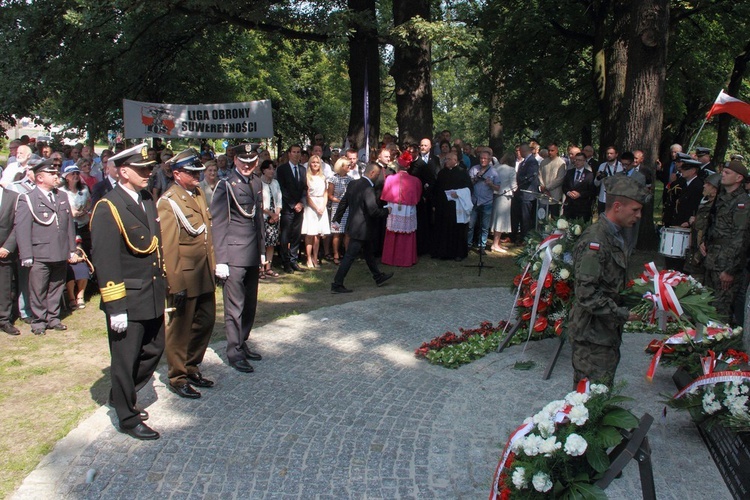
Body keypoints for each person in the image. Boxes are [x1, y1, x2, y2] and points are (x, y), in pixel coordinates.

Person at [89, 143, 165, 440]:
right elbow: (106, 259)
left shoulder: (145, 198)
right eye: (142, 169)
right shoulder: (108, 206)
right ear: (123, 172)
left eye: (149, 168)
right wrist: (115, 305)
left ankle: (121, 393)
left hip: (152, 290)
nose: (148, 173)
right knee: (125, 357)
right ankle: (127, 416)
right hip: (128, 296)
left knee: (154, 349)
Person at [567, 176, 648, 386]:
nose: (639, 216)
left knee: (601, 392)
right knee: (589, 398)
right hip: (591, 335)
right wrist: (623, 314)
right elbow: (586, 294)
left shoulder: (615, 235)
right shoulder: (595, 241)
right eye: (635, 210)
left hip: (604, 332)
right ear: (618, 206)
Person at [156, 148, 217, 399]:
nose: (197, 175)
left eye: (198, 171)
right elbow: (169, 247)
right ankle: (177, 376)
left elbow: (205, 234)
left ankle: (192, 366)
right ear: (178, 173)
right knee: (180, 329)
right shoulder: (168, 202)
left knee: (206, 320)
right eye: (192, 172)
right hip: (186, 274)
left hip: (203, 270)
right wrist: (176, 283)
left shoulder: (198, 193)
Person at [210, 143, 266, 373]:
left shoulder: (256, 182)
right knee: (235, 306)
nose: (247, 166)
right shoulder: (225, 186)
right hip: (233, 253)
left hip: (252, 252)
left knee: (250, 304)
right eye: (243, 162)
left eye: (252, 163)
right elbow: (219, 223)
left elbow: (258, 220)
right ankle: (233, 351)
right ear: (235, 161)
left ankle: (242, 342)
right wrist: (221, 259)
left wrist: (262, 250)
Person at [15, 159, 77, 335]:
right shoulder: (28, 198)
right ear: (40, 177)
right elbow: (22, 228)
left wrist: (72, 249)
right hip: (39, 252)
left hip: (60, 249)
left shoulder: (61, 196)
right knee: (38, 288)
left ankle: (53, 317)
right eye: (52, 174)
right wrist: (26, 254)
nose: (56, 176)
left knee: (57, 286)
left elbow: (69, 226)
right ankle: (39, 321)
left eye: (57, 173)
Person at [700, 160, 750, 325]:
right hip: (713, 257)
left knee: (721, 311)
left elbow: (741, 238)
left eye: (728, 173)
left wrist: (730, 270)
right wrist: (704, 241)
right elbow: (713, 222)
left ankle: (722, 347)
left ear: (738, 178)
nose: (723, 174)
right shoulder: (722, 197)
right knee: (707, 304)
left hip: (726, 262)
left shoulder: (742, 202)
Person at [331, 162, 393, 293]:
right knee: (350, 256)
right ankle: (337, 283)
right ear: (371, 173)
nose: (378, 178)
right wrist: (387, 211)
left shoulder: (353, 184)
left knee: (369, 254)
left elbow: (343, 202)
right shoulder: (368, 189)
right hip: (362, 229)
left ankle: (378, 276)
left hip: (356, 226)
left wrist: (337, 219)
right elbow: (373, 211)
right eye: (377, 175)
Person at [380, 152, 422, 267]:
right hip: (408, 210)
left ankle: (390, 258)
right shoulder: (415, 181)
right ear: (409, 166)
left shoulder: (389, 179)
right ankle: (406, 258)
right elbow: (418, 197)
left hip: (393, 208)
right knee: (407, 233)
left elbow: (384, 195)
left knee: (392, 232)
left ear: (398, 165)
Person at [662, 155, 703, 271]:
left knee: (681, 260)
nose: (681, 170)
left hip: (686, 225)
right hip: (678, 223)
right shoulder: (684, 184)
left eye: (685, 169)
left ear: (694, 170)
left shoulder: (697, 186)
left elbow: (695, 207)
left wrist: (689, 223)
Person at [431, 152, 472, 261]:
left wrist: (458, 193)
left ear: (455, 160)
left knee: (457, 230)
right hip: (443, 207)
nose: (446, 161)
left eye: (449, 159)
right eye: (446, 159)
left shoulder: (462, 173)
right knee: (443, 229)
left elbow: (469, 189)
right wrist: (435, 203)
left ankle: (458, 253)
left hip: (456, 206)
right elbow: (436, 189)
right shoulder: (442, 173)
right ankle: (444, 252)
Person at [276, 144, 306, 273]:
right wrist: (294, 204)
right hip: (288, 208)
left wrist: (302, 202)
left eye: (298, 152)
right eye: (294, 152)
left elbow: (305, 188)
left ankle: (294, 260)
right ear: (289, 154)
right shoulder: (282, 169)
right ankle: (286, 262)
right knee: (285, 236)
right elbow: (282, 189)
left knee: (296, 235)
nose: (296, 154)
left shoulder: (302, 169)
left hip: (300, 207)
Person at [684, 173, 720, 277]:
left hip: (702, 252)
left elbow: (707, 230)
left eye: (708, 184)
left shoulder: (715, 208)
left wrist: (698, 255)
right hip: (695, 248)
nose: (704, 186)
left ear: (715, 190)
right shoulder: (706, 204)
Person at [409, 138, 439, 255]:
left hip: (426, 196)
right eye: (421, 145)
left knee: (425, 221)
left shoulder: (434, 159)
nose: (423, 147)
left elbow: (434, 178)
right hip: (414, 195)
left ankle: (425, 246)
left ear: (430, 146)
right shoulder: (413, 161)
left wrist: (427, 194)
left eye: (425, 145)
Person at [468, 151, 501, 253]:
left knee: (485, 227)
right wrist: (475, 179)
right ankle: (468, 244)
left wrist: (491, 184)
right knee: (470, 225)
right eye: (481, 158)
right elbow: (468, 184)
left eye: (485, 158)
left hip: (487, 202)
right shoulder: (474, 169)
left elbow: (498, 188)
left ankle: (482, 246)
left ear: (489, 160)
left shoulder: (494, 172)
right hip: (474, 201)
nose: (483, 160)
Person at [301, 155, 330, 268]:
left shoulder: (323, 177)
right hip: (311, 206)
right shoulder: (307, 177)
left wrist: (323, 206)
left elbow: (325, 193)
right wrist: (316, 207)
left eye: (317, 163)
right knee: (310, 233)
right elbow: (307, 195)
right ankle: (308, 258)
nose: (315, 164)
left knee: (318, 234)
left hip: (321, 204)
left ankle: (315, 257)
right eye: (313, 162)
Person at [59, 164, 92, 255]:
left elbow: (89, 202)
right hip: (70, 225)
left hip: (84, 224)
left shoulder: (84, 189)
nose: (76, 176)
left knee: (86, 249)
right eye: (72, 174)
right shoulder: (61, 191)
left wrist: (85, 210)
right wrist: (72, 212)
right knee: (75, 251)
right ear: (66, 177)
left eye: (77, 173)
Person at [0, 183, 19, 335]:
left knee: (4, 287)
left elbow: (18, 224)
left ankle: (4, 319)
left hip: (5, 251)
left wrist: (8, 247)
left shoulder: (13, 197)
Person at [490, 152, 517, 253]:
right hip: (505, 196)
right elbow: (514, 186)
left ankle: (497, 243)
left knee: (495, 218)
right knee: (500, 220)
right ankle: (495, 244)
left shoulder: (497, 167)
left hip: (496, 194)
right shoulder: (512, 170)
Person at [259, 160, 281, 278]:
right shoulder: (258, 183)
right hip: (263, 216)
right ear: (263, 170)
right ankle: (261, 267)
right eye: (269, 169)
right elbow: (259, 202)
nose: (272, 171)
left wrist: (276, 214)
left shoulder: (275, 183)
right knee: (262, 242)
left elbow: (279, 200)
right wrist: (270, 214)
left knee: (271, 243)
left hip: (275, 217)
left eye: (273, 169)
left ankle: (269, 267)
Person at [328, 158, 352, 265]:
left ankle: (347, 254)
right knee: (336, 233)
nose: (349, 166)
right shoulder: (333, 179)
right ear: (341, 166)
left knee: (347, 233)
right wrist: (341, 201)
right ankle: (336, 254)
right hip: (337, 208)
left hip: (348, 208)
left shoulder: (351, 179)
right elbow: (330, 195)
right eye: (347, 165)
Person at [562, 153, 596, 222]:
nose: (577, 162)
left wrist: (580, 194)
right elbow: (564, 186)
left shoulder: (589, 175)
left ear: (584, 161)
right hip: (569, 206)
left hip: (582, 207)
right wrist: (568, 193)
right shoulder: (569, 172)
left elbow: (592, 191)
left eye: (580, 160)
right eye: (576, 160)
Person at [516, 143, 540, 241]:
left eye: (520, 151)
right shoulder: (523, 162)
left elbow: (530, 177)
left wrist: (521, 179)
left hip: (528, 193)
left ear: (524, 151)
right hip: (521, 193)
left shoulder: (532, 162)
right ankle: (522, 235)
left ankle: (525, 237)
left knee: (526, 218)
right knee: (522, 217)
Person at [538, 143, 566, 218]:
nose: (550, 152)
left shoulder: (561, 163)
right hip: (544, 195)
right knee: (542, 218)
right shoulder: (543, 162)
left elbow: (560, 179)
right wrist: (543, 187)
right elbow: (539, 175)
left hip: (555, 195)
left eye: (552, 150)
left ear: (556, 151)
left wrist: (547, 187)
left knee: (555, 219)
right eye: (549, 150)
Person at [65, 235, 92, 310]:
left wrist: (76, 256)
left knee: (83, 269)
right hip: (65, 262)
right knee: (70, 272)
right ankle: (71, 298)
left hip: (78, 259)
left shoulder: (76, 236)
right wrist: (67, 258)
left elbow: (80, 249)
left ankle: (80, 297)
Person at [593, 146, 622, 215]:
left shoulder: (621, 167)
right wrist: (598, 178)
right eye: (607, 153)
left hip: (616, 199)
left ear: (616, 154)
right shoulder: (602, 166)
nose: (609, 155)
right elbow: (596, 184)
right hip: (603, 199)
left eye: (611, 153)